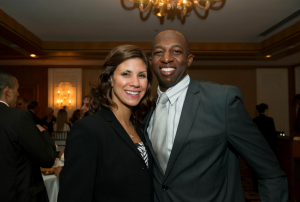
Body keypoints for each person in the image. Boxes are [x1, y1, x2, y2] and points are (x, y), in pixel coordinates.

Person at [143, 30, 288, 202]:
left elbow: (269, 171)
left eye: (176, 51)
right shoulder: (146, 109)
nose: (166, 58)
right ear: (151, 61)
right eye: (159, 52)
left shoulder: (221, 100)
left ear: (189, 59)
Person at [58, 45, 153, 202]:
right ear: (110, 78)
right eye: (126, 74)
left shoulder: (140, 127)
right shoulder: (89, 129)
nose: (135, 83)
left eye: (142, 75)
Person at [0, 70, 56, 202]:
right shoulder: (19, 117)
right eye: (17, 90)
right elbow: (47, 158)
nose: (18, 94)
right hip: (18, 194)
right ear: (8, 91)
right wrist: (44, 133)